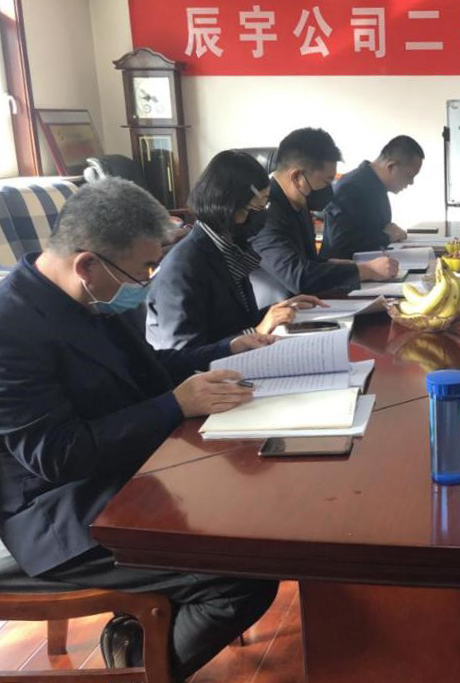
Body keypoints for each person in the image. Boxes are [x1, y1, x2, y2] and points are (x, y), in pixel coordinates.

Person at [0, 178, 278, 680]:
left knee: (254, 511)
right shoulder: (11, 327)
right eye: (144, 269)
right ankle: (138, 663)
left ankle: (136, 637)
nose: (149, 282)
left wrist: (225, 350)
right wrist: (174, 405)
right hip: (58, 511)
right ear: (87, 265)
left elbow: (150, 370)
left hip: (125, 474)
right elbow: (58, 454)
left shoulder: (93, 297)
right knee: (243, 578)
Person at [146, 150, 327, 350]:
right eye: (260, 206)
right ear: (232, 206)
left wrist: (279, 310)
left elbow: (236, 322)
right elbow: (185, 355)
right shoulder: (183, 269)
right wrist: (257, 331)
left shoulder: (229, 248)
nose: (265, 214)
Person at [251, 128, 398, 301]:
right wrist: (366, 270)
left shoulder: (297, 201)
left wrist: (342, 265)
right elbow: (298, 276)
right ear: (297, 177)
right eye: (326, 182)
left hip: (305, 303)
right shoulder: (263, 214)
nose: (329, 191)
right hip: (275, 310)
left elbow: (308, 261)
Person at [322, 135, 424, 258]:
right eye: (409, 176)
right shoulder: (350, 187)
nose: (411, 182)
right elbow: (340, 244)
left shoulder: (376, 186)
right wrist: (386, 236)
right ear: (391, 166)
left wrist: (390, 233)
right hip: (345, 268)